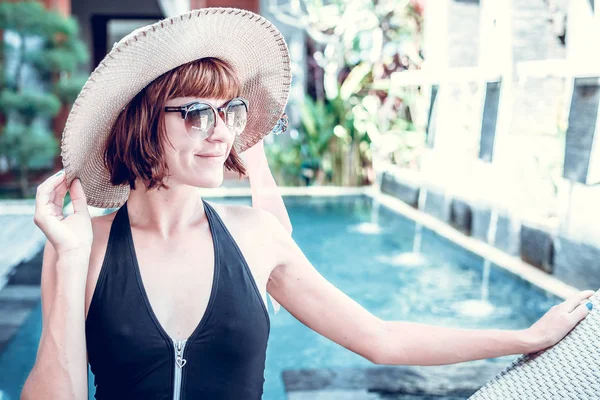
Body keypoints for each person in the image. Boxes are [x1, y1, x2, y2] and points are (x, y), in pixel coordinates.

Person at [21, 7, 594, 400]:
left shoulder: (255, 236)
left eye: (231, 113)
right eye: (198, 113)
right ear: (144, 124)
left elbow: (381, 339)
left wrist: (524, 339)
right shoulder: (83, 248)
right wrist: (67, 262)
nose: (221, 132)